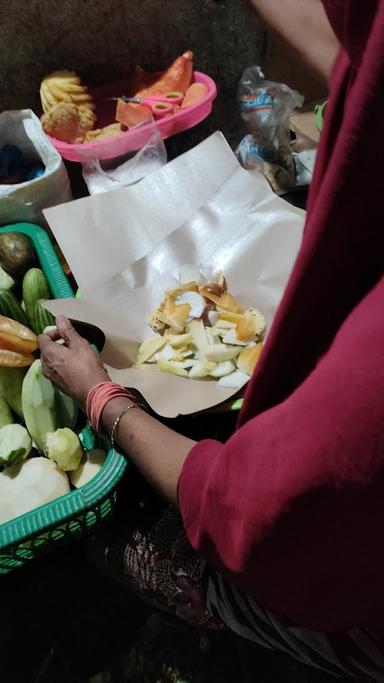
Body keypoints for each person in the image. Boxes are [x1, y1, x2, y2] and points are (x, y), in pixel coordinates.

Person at [39, 0, 384, 678]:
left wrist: (103, 396)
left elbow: (238, 514)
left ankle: (182, 637)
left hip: (350, 610)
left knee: (122, 536)